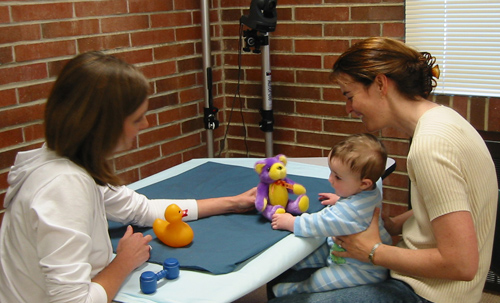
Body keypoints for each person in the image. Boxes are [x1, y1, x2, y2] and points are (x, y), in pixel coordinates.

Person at [0, 51, 256, 303]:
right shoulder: (64, 186)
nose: (145, 125)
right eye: (137, 118)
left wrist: (232, 203)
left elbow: (141, 210)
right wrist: (124, 261)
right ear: (104, 126)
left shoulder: (72, 161)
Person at [269, 37, 497, 303]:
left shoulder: (430, 146)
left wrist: (371, 251)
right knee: (289, 275)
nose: (349, 109)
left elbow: (462, 265)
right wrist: (394, 224)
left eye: (350, 96)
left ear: (380, 84)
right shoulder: (445, 119)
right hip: (436, 285)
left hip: (429, 293)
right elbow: (452, 204)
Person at [270, 133, 392, 297]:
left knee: (319, 279)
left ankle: (285, 292)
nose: (330, 180)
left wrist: (291, 221)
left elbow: (318, 224)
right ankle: (292, 268)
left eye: (338, 177)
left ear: (364, 183)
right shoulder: (371, 192)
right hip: (345, 250)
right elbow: (356, 208)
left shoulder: (348, 212)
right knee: (307, 255)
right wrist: (341, 199)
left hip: (360, 270)